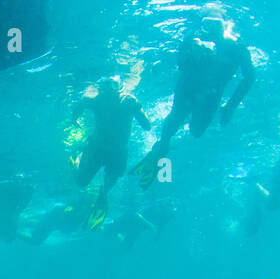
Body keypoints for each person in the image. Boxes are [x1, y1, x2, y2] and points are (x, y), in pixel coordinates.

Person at [130, 17, 254, 187]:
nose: (211, 29)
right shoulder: (193, 40)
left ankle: (174, 132)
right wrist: (191, 50)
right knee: (173, 123)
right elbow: (180, 64)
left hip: (210, 96)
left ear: (225, 26)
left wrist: (231, 106)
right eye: (207, 24)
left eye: (216, 24)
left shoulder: (237, 48)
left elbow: (250, 77)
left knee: (196, 132)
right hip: (187, 91)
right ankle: (161, 147)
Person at [71, 76, 152, 228]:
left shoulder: (127, 101)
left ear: (119, 87)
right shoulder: (97, 100)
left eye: (112, 86)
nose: (108, 90)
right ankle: (78, 157)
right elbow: (81, 104)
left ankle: (103, 194)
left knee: (109, 181)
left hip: (117, 151)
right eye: (105, 87)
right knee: (81, 182)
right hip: (97, 148)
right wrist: (75, 118)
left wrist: (75, 118)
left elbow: (147, 125)